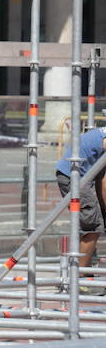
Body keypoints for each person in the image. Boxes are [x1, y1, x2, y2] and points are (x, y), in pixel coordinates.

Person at [56, 124, 106, 295]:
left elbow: (101, 181)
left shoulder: (101, 133)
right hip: (74, 177)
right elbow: (104, 183)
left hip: (72, 175)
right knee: (92, 228)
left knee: (88, 225)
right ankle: (78, 279)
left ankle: (81, 273)